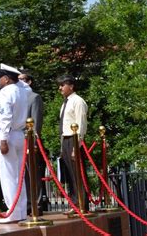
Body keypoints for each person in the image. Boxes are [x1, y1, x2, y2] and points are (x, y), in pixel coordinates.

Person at [0, 63, 28, 224]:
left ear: (6, 79)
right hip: (20, 134)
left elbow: (5, 116)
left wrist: (3, 139)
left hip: (7, 135)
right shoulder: (22, 91)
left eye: (0, 78)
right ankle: (20, 211)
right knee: (18, 175)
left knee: (9, 176)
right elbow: (24, 84)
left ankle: (12, 212)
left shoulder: (5, 92)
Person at [57, 74, 88, 210]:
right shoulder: (65, 102)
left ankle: (82, 203)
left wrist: (77, 144)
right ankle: (75, 202)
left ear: (71, 86)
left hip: (74, 139)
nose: (60, 88)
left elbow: (81, 124)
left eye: (62, 85)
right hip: (66, 139)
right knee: (69, 173)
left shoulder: (78, 101)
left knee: (77, 172)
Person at [19, 69, 46, 215]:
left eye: (23, 79)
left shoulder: (34, 97)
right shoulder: (18, 97)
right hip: (17, 141)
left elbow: (35, 122)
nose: (20, 82)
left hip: (28, 140)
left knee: (32, 173)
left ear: (29, 81)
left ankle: (36, 204)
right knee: (22, 175)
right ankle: (26, 204)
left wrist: (34, 143)